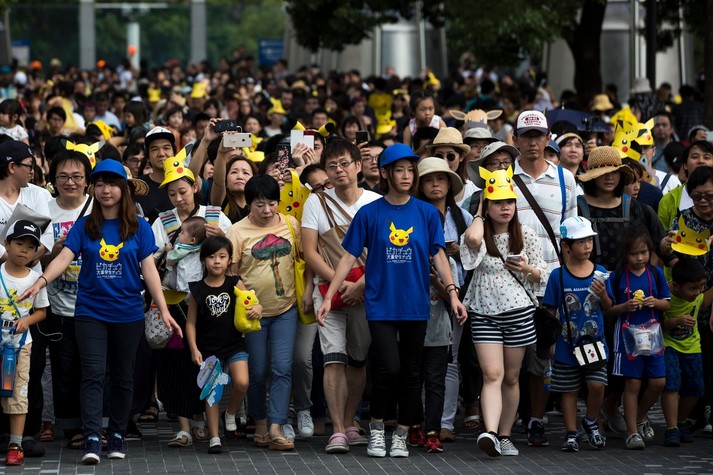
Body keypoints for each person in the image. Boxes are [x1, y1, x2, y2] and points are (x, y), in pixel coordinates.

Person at [19, 159, 181, 465]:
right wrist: (40, 281)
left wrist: (164, 309)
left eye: (113, 184)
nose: (106, 190)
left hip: (128, 313)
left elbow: (149, 270)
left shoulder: (139, 227)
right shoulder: (85, 226)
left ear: (124, 189)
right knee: (92, 375)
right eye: (101, 184)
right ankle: (93, 436)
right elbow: (63, 258)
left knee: (122, 377)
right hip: (90, 312)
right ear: (94, 188)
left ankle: (116, 433)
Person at [316, 143, 467, 459]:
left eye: (410, 170)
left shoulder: (426, 212)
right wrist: (329, 296)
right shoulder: (370, 213)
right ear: (385, 173)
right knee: (389, 369)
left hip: (416, 305)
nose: (406, 176)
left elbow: (438, 254)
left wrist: (453, 293)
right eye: (399, 170)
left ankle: (401, 434)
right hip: (380, 303)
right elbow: (348, 257)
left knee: (412, 373)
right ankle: (376, 428)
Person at [461, 166, 548, 457]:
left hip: (518, 312)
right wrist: (479, 212)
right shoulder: (479, 233)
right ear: (488, 205)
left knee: (511, 377)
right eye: (498, 202)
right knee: (491, 374)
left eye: (509, 201)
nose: (505, 207)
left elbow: (543, 274)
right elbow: (472, 241)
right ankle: (490, 432)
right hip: (484, 311)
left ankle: (505, 434)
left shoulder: (526, 235)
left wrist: (527, 268)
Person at [302, 140, 380, 453]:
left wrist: (360, 285)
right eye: (332, 166)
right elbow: (309, 252)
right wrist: (341, 283)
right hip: (327, 292)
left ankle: (350, 422)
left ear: (358, 166)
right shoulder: (315, 202)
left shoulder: (376, 202)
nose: (339, 170)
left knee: (358, 360)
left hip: (366, 291)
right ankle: (336, 429)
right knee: (333, 358)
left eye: (345, 163)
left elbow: (384, 251)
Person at [151, 158, 231, 449]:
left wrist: (221, 237)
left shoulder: (215, 215)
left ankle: (204, 421)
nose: (178, 198)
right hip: (176, 304)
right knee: (176, 365)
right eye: (172, 193)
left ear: (195, 188)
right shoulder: (163, 221)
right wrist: (166, 252)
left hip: (211, 304)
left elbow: (233, 251)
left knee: (207, 363)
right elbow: (151, 260)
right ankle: (183, 426)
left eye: (183, 191)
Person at [512, 110, 577, 447]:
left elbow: (571, 233)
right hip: (511, 281)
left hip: (551, 281)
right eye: (526, 136)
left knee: (541, 355)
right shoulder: (504, 177)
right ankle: (508, 418)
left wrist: (570, 276)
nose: (533, 142)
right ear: (515, 139)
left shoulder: (566, 179)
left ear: (548, 139)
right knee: (511, 358)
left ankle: (535, 419)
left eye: (538, 136)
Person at [226, 174, 302, 451]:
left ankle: (276, 426)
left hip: (286, 309)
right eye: (260, 205)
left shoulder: (291, 224)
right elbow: (231, 274)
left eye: (272, 203)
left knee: (282, 368)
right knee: (257, 371)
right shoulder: (237, 231)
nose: (267, 210)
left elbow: (301, 259)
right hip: (253, 315)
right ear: (249, 204)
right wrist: (250, 301)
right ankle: (259, 422)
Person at [413, 156, 472, 453]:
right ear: (420, 185)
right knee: (415, 365)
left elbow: (476, 257)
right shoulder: (412, 214)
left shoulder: (463, 217)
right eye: (428, 180)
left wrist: (457, 252)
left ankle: (443, 422)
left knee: (448, 362)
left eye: (441, 179)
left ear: (450, 183)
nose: (435, 184)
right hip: (416, 297)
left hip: (455, 295)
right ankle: (417, 422)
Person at [186, 236, 258, 454]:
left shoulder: (234, 283)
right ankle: (215, 437)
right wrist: (194, 349)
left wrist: (258, 309)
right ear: (203, 260)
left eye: (222, 256)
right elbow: (191, 323)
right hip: (208, 348)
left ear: (229, 260)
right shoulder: (197, 289)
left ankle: (230, 413)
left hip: (234, 344)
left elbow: (251, 303)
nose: (216, 261)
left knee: (242, 383)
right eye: (211, 256)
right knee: (212, 392)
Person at [543, 217, 609, 452]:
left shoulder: (600, 272)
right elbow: (550, 311)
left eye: (589, 240)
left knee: (597, 385)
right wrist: (548, 342)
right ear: (566, 246)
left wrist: (603, 294)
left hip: (595, 343)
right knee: (568, 390)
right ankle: (571, 433)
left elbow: (609, 307)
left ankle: (591, 421)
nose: (587, 245)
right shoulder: (557, 276)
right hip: (566, 344)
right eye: (581, 241)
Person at [601, 227, 670, 450]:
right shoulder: (618, 276)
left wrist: (655, 302)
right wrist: (624, 306)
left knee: (658, 382)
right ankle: (631, 432)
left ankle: (639, 416)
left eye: (644, 252)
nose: (640, 258)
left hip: (652, 334)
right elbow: (608, 310)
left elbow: (667, 304)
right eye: (634, 254)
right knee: (632, 383)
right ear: (625, 255)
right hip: (626, 335)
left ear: (650, 251)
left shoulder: (656, 273)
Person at [42, 150, 93, 450]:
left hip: (95, 304)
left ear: (87, 180)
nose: (70, 182)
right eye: (63, 176)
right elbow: (31, 257)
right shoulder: (44, 210)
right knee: (65, 368)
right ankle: (71, 425)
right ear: (54, 180)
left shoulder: (99, 208)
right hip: (58, 305)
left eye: (76, 176)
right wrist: (53, 251)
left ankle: (95, 424)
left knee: (95, 368)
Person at [0, 220, 49, 466]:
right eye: (19, 244)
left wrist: (27, 320)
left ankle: (16, 444)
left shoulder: (35, 279)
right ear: (7, 244)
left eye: (31, 247)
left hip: (20, 346)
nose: (24, 251)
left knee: (18, 391)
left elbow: (42, 312)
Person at [661, 257, 710, 446]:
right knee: (672, 384)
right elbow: (656, 325)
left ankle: (681, 421)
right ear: (676, 285)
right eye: (693, 288)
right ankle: (671, 427)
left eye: (701, 287)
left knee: (696, 386)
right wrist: (676, 321)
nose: (698, 292)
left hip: (692, 347)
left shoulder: (698, 295)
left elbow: (705, 299)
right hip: (669, 345)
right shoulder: (665, 295)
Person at [658, 141, 713, 231]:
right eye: (694, 157)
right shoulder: (668, 200)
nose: (701, 161)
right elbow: (660, 234)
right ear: (685, 165)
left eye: (706, 157)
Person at [162, 216, 207, 292]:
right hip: (195, 285)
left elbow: (170, 260)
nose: (179, 234)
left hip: (180, 286)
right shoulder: (201, 247)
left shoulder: (182, 250)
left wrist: (168, 251)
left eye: (182, 233)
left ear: (192, 240)